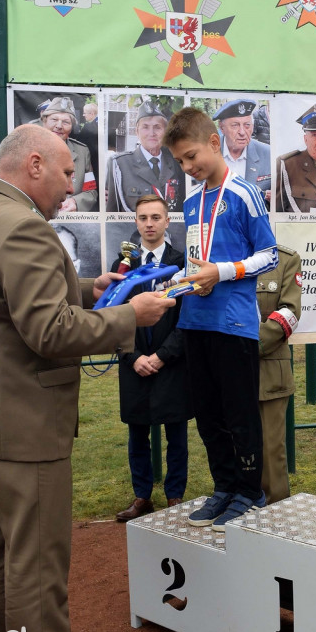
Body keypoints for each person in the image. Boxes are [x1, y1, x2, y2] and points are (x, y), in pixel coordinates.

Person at [0, 124, 174, 632]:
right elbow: (49, 333)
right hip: (25, 428)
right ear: (34, 166)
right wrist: (127, 315)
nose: (73, 186)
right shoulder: (27, 229)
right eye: (68, 172)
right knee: (38, 567)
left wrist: (86, 289)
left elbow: (5, 298)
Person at [164, 107, 278, 532]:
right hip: (195, 321)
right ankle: (223, 488)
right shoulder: (192, 201)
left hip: (233, 325)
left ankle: (250, 492)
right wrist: (180, 280)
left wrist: (223, 272)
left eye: (192, 156)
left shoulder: (245, 193)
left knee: (240, 415)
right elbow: (199, 260)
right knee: (208, 416)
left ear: (215, 143)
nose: (188, 167)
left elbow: (269, 256)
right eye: (180, 162)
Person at [114, 194, 192, 521]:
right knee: (137, 435)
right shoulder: (122, 265)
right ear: (136, 222)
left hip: (171, 363)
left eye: (155, 218)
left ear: (166, 221)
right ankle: (142, 496)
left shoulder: (183, 261)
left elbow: (188, 319)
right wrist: (133, 357)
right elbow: (113, 316)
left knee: (176, 434)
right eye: (143, 218)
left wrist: (161, 356)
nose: (149, 224)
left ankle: (175, 496)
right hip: (134, 365)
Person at [256, 246, 302, 504]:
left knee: (270, 451)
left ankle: (275, 517)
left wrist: (247, 346)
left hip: (268, 370)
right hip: (227, 371)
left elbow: (289, 313)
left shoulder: (284, 259)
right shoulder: (222, 257)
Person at [106, 102, 185, 213]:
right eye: (145, 127)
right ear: (137, 131)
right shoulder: (120, 164)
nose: (151, 133)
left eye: (157, 127)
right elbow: (112, 212)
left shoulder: (177, 163)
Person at [40, 97, 98, 213]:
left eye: (66, 122)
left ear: (72, 127)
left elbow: (91, 192)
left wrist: (75, 202)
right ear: (44, 121)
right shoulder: (28, 148)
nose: (59, 126)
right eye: (54, 119)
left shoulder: (82, 152)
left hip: (70, 221)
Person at [213, 99, 271, 202]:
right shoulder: (209, 153)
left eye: (247, 125)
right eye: (235, 125)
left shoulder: (268, 153)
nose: (242, 132)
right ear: (222, 128)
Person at [73, 101, 99, 182]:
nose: (83, 115)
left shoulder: (88, 127)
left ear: (91, 114)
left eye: (85, 113)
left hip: (91, 162)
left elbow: (78, 143)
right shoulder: (102, 125)